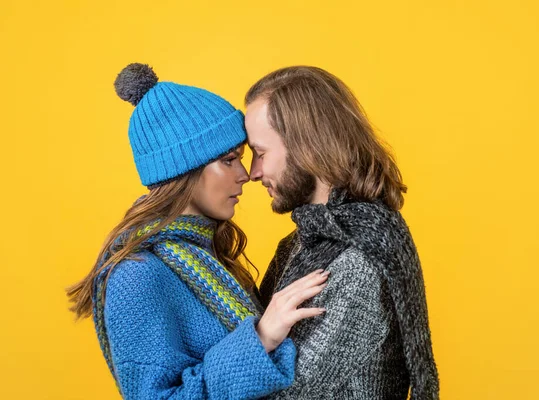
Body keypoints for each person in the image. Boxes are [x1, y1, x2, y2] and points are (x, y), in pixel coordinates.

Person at [66, 63, 329, 399]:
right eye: (229, 159)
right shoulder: (137, 275)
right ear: (185, 169)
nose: (246, 174)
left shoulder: (206, 255)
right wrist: (260, 338)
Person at [244, 66, 440, 399]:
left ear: (308, 147)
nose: (253, 172)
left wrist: (255, 341)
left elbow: (284, 395)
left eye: (261, 153)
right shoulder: (303, 243)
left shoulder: (355, 262)